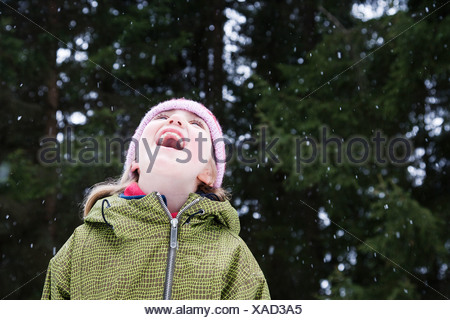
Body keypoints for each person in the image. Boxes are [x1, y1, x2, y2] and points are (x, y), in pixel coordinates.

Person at [41, 98, 270, 300]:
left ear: (207, 173)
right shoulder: (83, 245)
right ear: (136, 161)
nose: (176, 121)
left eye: (196, 123)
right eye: (162, 117)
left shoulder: (233, 256)